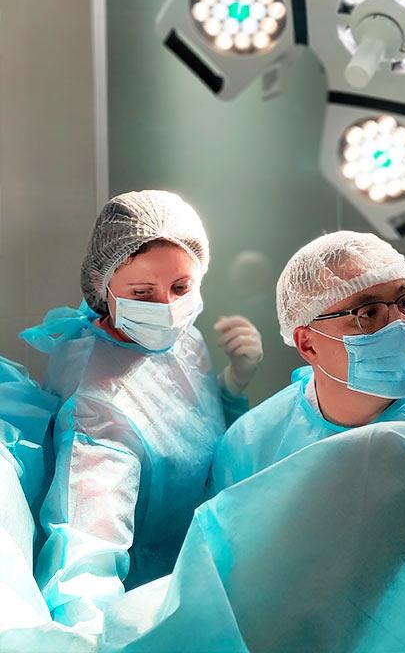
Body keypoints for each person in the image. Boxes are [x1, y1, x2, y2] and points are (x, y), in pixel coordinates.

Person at [20, 190, 263, 635]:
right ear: (103, 286)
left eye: (181, 287)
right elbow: (86, 557)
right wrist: (93, 636)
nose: (167, 309)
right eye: (142, 293)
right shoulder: (98, 405)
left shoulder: (178, 338)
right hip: (147, 599)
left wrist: (231, 386)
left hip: (201, 562)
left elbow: (197, 430)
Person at [210, 230, 405, 493]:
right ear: (308, 344)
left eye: (404, 302)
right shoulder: (251, 445)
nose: (400, 324)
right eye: (368, 313)